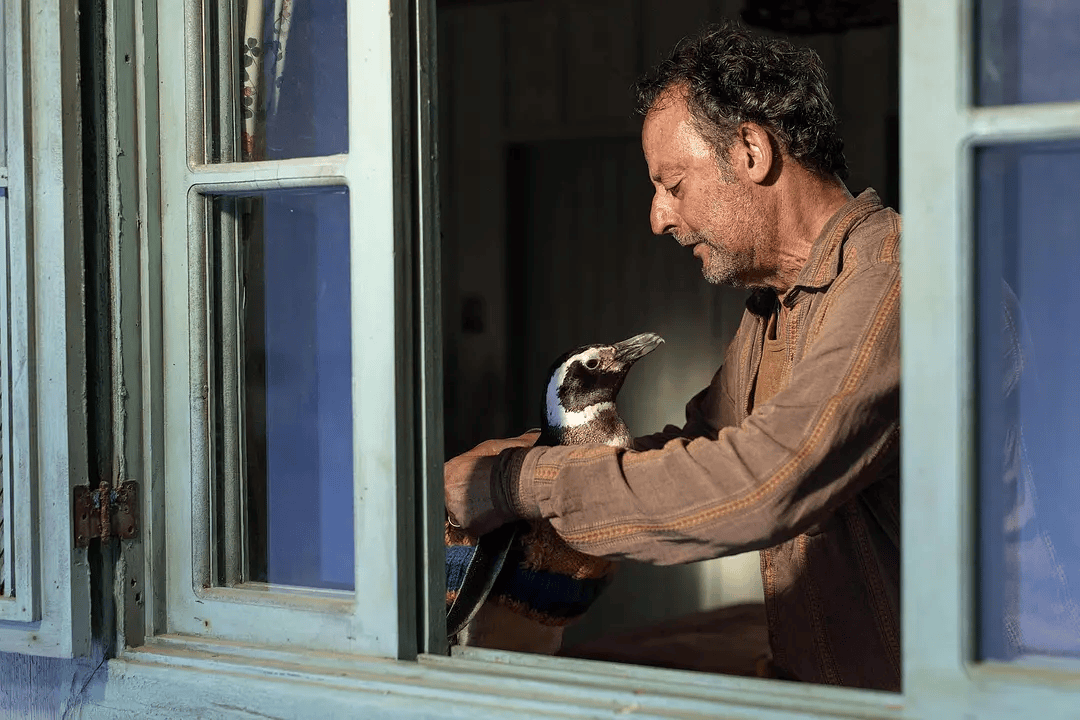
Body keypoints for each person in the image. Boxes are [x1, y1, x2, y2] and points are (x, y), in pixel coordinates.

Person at [444, 21, 901, 692]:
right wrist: (519, 459)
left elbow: (764, 481)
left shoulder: (892, 278)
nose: (658, 217)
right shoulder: (776, 305)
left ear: (751, 151)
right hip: (822, 694)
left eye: (673, 183)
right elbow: (702, 448)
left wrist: (519, 483)